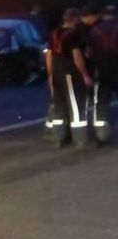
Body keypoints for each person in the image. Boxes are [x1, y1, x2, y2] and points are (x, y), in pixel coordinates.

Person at [46, 8, 93, 148]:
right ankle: (80, 139)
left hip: (56, 72)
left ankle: (58, 137)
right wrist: (85, 75)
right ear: (74, 19)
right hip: (70, 73)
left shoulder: (53, 34)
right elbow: (77, 56)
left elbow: (48, 56)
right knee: (76, 105)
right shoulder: (73, 35)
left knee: (59, 105)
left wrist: (50, 75)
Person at [89, 5, 118, 144]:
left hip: (101, 71)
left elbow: (88, 53)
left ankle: (101, 135)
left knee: (101, 103)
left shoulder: (94, 30)